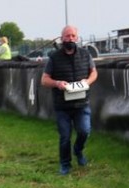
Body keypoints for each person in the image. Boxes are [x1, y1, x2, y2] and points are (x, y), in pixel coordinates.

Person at [40, 25, 98, 175]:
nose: (70, 38)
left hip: (82, 103)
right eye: (67, 36)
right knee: (65, 136)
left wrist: (87, 82)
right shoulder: (54, 57)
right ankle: (65, 164)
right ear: (62, 38)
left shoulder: (86, 54)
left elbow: (94, 73)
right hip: (62, 105)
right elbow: (44, 80)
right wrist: (57, 83)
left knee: (84, 131)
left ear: (77, 38)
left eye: (73, 36)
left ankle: (78, 151)